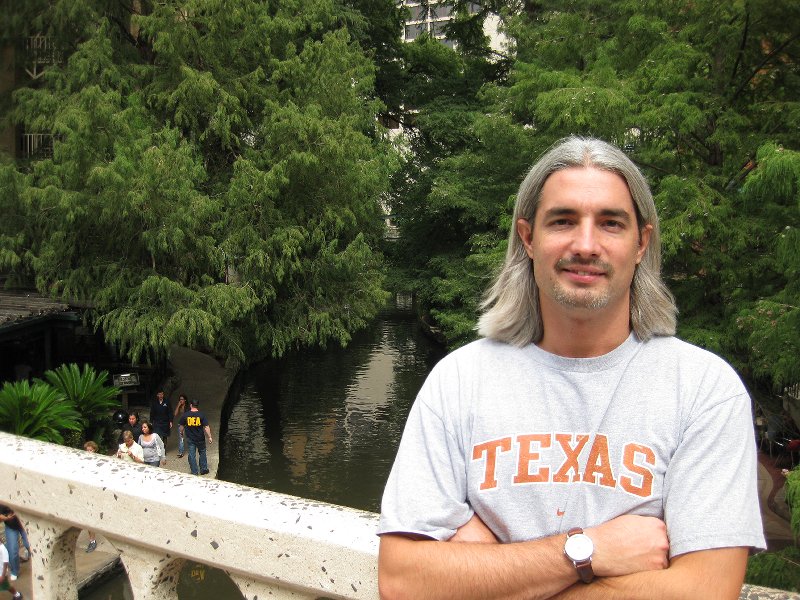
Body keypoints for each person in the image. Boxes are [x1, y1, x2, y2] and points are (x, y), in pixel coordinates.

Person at [378, 137, 766, 600]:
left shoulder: (704, 390)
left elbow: (704, 590)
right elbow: (403, 581)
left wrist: (483, 573)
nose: (586, 245)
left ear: (641, 243)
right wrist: (588, 552)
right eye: (563, 221)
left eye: (610, 223)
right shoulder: (458, 381)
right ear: (528, 238)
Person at [179, 399, 213, 476]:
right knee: (202, 453)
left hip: (190, 438)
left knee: (191, 455)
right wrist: (209, 437)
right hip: (200, 438)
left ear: (191, 405)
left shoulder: (185, 415)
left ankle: (194, 471)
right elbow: (206, 427)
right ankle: (204, 469)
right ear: (197, 406)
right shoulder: (201, 415)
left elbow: (181, 426)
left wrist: (181, 433)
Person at [0, 506, 30, 584]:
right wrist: (5, 518)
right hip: (11, 527)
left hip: (25, 523)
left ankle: (30, 555)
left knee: (29, 545)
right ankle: (14, 571)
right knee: (12, 550)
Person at [82, 441, 99, 552]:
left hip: (97, 493)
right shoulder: (83, 463)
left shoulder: (99, 462)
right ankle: (92, 541)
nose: (89, 452)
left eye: (91, 450)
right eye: (87, 450)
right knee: (89, 518)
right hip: (87, 494)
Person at [173, 394, 188, 458]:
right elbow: (175, 414)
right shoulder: (179, 407)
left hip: (187, 424)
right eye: (180, 399)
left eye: (182, 399)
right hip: (181, 424)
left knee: (189, 437)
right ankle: (181, 452)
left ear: (185, 400)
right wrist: (178, 406)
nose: (181, 400)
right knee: (181, 438)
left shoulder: (188, 407)